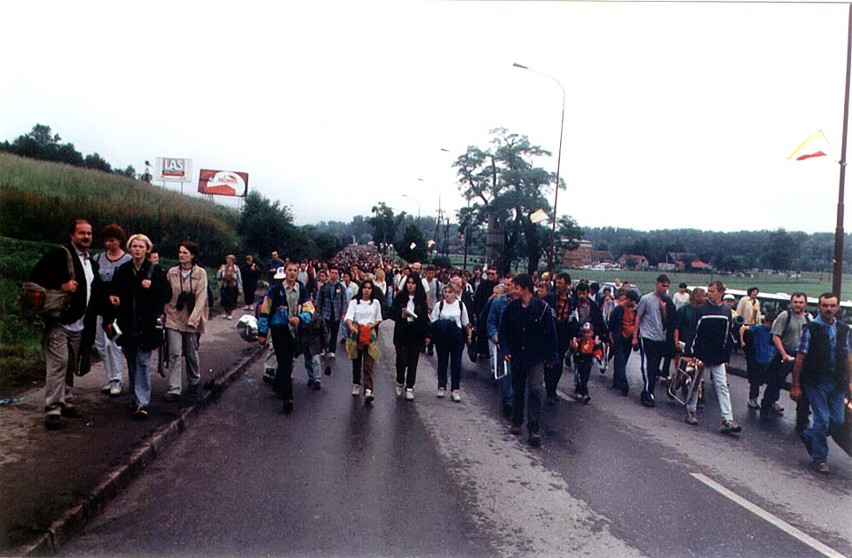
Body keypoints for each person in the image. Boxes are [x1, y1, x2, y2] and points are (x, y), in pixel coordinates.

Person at [29, 219, 103, 430]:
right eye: (82, 233)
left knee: (70, 364)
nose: (86, 237)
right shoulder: (59, 255)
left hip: (79, 324)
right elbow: (35, 277)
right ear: (72, 235)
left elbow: (94, 290)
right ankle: (53, 409)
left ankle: (66, 401)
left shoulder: (90, 261)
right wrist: (60, 285)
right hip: (59, 321)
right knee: (58, 364)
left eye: (89, 233)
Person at [106, 234, 171, 419]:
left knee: (143, 362)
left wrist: (151, 287)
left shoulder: (155, 271)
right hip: (127, 324)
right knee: (132, 362)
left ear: (147, 249)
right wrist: (113, 299)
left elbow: (167, 294)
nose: (137, 249)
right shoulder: (123, 269)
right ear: (129, 248)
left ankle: (142, 402)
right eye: (134, 246)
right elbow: (114, 292)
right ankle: (134, 398)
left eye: (141, 246)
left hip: (146, 325)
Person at [790, 292, 851, 474]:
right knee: (822, 419)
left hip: (837, 382)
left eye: (832, 306)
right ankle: (820, 459)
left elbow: (848, 356)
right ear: (819, 307)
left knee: (837, 420)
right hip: (816, 382)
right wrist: (795, 385)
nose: (828, 310)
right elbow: (800, 358)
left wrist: (849, 381)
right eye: (825, 306)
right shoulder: (811, 329)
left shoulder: (843, 329)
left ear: (838, 308)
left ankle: (809, 435)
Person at [499, 274, 558, 448]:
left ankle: (534, 428)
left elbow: (551, 333)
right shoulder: (512, 308)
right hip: (517, 355)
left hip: (536, 356)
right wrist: (505, 350)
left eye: (516, 287)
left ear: (525, 288)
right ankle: (517, 421)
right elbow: (503, 331)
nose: (513, 291)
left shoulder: (542, 309)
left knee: (535, 388)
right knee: (518, 389)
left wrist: (552, 355)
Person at [257, 262, 314, 414]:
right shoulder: (275, 290)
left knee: (287, 361)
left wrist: (300, 318)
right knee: (285, 361)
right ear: (285, 272)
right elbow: (264, 311)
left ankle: (277, 385)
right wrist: (262, 333)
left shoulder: (301, 288)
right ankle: (288, 398)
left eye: (295, 271)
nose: (292, 273)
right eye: (290, 270)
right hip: (278, 329)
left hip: (294, 330)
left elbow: (310, 310)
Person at [685, 281, 741, 434]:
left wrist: (726, 357)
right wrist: (689, 353)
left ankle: (727, 419)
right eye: (708, 291)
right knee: (696, 383)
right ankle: (691, 410)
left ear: (721, 292)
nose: (709, 294)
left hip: (717, 355)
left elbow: (727, 335)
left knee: (722, 386)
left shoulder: (726, 311)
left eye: (712, 291)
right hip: (700, 353)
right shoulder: (700, 310)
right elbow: (692, 331)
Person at [163, 241, 208, 401]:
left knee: (190, 353)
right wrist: (164, 314)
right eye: (180, 252)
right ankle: (174, 388)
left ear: (193, 255)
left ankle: (194, 380)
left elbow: (202, 298)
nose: (181, 255)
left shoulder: (200, 273)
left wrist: (194, 319)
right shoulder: (172, 272)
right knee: (174, 352)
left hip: (191, 318)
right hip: (174, 317)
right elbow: (166, 294)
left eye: (185, 253)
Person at [92, 224, 131, 397]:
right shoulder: (97, 258)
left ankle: (117, 379)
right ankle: (109, 377)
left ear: (120, 241)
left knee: (113, 343)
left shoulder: (127, 259)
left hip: (118, 308)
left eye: (112, 240)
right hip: (100, 305)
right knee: (100, 344)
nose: (109, 244)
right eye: (106, 241)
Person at [761, 292, 811, 423]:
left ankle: (802, 417)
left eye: (800, 302)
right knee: (775, 383)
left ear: (805, 304)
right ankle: (765, 409)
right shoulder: (785, 316)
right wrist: (784, 354)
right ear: (791, 303)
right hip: (785, 354)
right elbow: (775, 336)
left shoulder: (808, 318)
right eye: (795, 302)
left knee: (802, 386)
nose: (798, 305)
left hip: (800, 356)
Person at [632, 274, 675, 407]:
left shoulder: (667, 301)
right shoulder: (646, 299)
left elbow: (668, 322)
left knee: (654, 367)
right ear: (657, 284)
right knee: (646, 365)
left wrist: (664, 309)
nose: (665, 289)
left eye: (667, 286)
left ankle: (648, 389)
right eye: (663, 285)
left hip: (659, 337)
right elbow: (638, 317)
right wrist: (635, 336)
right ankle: (648, 392)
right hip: (646, 336)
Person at [429, 284, 471, 402]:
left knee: (456, 363)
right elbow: (433, 320)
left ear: (456, 293)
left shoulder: (461, 306)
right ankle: (441, 386)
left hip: (457, 337)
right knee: (442, 361)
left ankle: (455, 389)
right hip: (443, 336)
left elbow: (465, 322)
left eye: (450, 292)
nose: (447, 294)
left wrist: (469, 336)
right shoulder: (439, 305)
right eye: (445, 292)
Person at [391, 272, 430, 400]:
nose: (410, 285)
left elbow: (424, 318)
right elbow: (391, 312)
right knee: (401, 360)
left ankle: (410, 387)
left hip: (415, 333)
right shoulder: (400, 297)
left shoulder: (421, 300)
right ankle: (400, 381)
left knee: (413, 361)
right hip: (402, 332)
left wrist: (427, 335)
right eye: (408, 283)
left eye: (413, 283)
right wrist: (400, 316)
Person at [344, 278, 383, 403]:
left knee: (369, 362)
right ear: (361, 289)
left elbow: (378, 318)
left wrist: (371, 326)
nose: (367, 290)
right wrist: (351, 327)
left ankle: (368, 389)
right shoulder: (355, 302)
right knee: (356, 359)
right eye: (365, 288)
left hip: (369, 332)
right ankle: (356, 383)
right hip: (357, 330)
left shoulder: (375, 303)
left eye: (369, 288)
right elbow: (349, 317)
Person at [544, 272, 573, 404]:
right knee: (550, 363)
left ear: (567, 285)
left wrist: (573, 336)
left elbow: (573, 320)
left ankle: (553, 389)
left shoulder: (571, 300)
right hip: (551, 333)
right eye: (557, 282)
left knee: (559, 364)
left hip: (563, 335)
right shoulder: (550, 298)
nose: (558, 285)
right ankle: (549, 392)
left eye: (561, 283)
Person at [487, 280, 515, 415]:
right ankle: (508, 400)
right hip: (503, 342)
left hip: (518, 343)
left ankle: (516, 398)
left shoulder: (523, 303)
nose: (508, 288)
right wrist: (494, 335)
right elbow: (491, 321)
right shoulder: (498, 302)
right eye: (506, 285)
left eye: (511, 285)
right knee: (506, 372)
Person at [741, 312, 776, 411]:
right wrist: (743, 343)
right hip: (758, 358)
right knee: (755, 381)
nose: (771, 325)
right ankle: (753, 399)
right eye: (770, 323)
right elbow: (743, 328)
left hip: (770, 359)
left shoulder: (776, 331)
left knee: (773, 382)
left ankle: (772, 401)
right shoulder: (759, 328)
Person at [316, 266, 348, 376]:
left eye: (336, 273)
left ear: (338, 275)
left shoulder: (341, 287)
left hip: (336, 313)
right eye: (332, 272)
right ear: (329, 274)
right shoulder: (324, 286)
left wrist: (343, 313)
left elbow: (344, 300)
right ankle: (324, 348)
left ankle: (332, 350)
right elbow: (319, 300)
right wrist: (318, 312)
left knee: (334, 333)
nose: (334, 275)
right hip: (326, 313)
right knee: (325, 332)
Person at [608, 289, 640, 396]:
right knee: (621, 360)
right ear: (628, 300)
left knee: (623, 360)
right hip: (619, 338)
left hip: (629, 340)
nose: (635, 304)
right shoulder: (618, 309)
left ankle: (616, 380)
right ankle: (624, 384)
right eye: (633, 301)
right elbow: (611, 325)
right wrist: (611, 337)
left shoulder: (635, 311)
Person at [299, 306, 329, 391]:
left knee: (316, 360)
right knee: (307, 361)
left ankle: (317, 379)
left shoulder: (319, 318)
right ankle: (311, 377)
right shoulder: (301, 319)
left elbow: (324, 332)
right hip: (305, 343)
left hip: (316, 343)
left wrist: (325, 344)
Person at [572, 322, 603, 404]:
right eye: (584, 332)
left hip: (588, 362)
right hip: (580, 362)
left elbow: (597, 350)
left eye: (588, 332)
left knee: (585, 377)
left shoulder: (593, 343)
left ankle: (578, 390)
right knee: (581, 377)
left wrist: (598, 356)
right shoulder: (580, 341)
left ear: (592, 333)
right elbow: (574, 347)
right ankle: (585, 394)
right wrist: (574, 345)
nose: (586, 334)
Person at [216, 254, 243, 320]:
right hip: (225, 285)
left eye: (230, 260)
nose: (228, 261)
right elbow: (218, 276)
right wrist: (220, 271)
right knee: (224, 300)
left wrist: (240, 288)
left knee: (231, 300)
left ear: (233, 261)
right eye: (227, 259)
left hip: (233, 286)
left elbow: (239, 278)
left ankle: (229, 313)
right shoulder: (223, 267)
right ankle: (226, 312)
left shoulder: (236, 268)